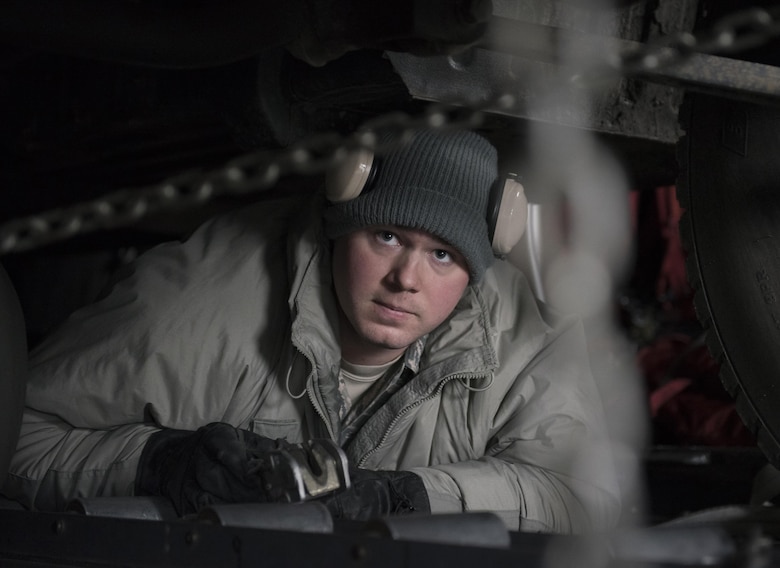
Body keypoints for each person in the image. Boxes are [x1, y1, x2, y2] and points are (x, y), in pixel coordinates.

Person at [1, 127, 620, 533]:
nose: (407, 279)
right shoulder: (199, 306)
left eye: (442, 256)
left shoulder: (521, 341)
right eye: (386, 236)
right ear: (338, 223)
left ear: (478, 268)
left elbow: (588, 498)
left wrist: (404, 497)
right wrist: (161, 463)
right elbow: (16, 436)